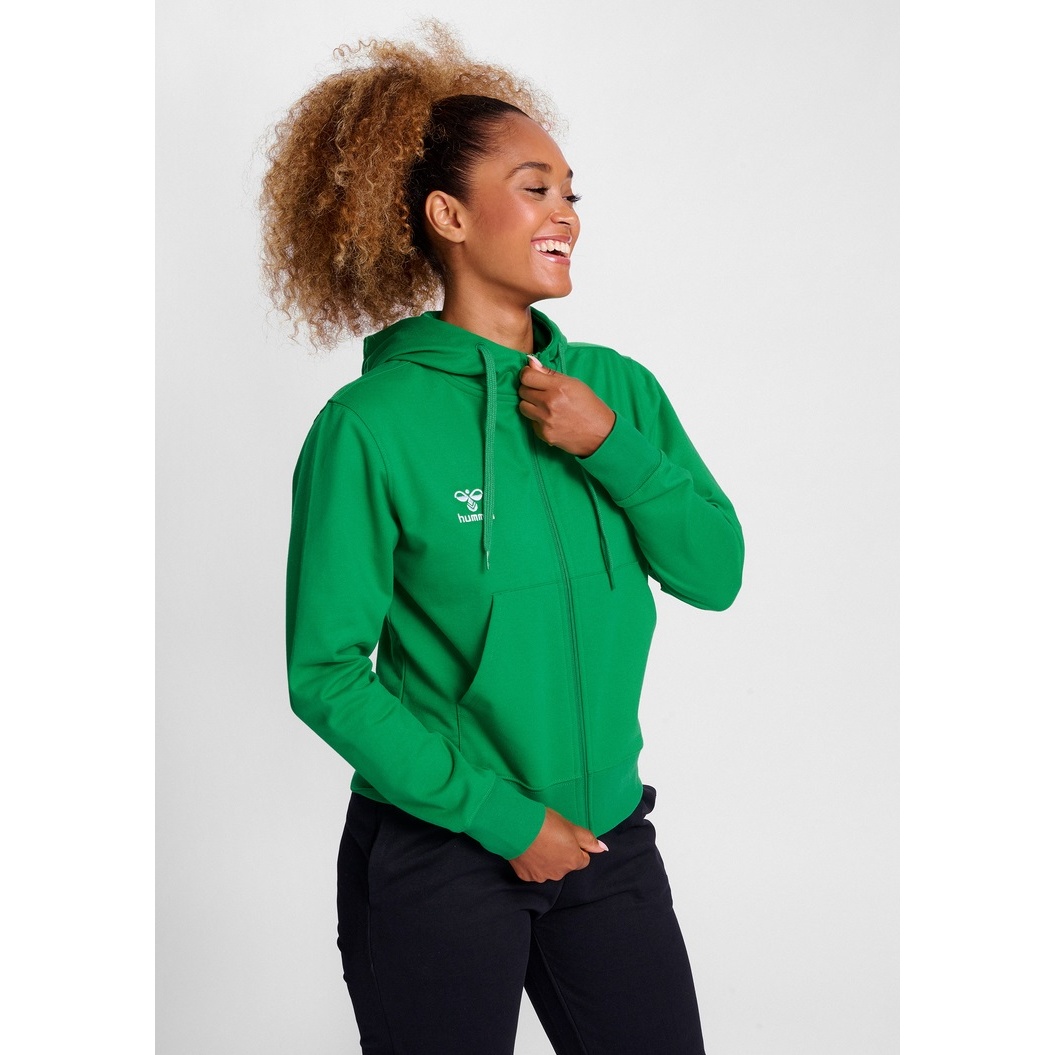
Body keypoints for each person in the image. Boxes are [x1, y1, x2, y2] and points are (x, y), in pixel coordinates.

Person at [262, 24, 744, 1055]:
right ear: (447, 215)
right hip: (441, 849)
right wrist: (502, 817)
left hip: (607, 841)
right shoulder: (369, 426)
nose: (565, 212)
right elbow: (326, 672)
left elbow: (714, 571)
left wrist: (610, 446)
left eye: (571, 191)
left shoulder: (617, 391)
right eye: (534, 189)